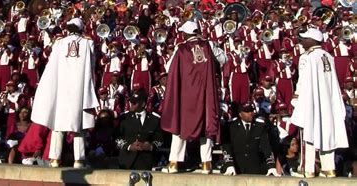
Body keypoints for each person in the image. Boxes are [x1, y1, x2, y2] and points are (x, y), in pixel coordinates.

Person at [31, 18, 99, 168]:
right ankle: (79, 160)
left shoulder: (59, 43)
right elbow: (92, 64)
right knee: (78, 126)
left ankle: (54, 159)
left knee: (58, 125)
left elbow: (51, 65)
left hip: (62, 89)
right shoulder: (88, 43)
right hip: (79, 90)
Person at [161, 21, 225, 174]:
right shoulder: (209, 45)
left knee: (181, 126)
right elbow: (224, 60)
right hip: (205, 93)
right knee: (207, 125)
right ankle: (206, 163)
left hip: (187, 94)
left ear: (185, 34)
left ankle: (174, 163)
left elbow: (168, 67)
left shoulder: (181, 48)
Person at [290, 27, 348, 178]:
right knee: (327, 131)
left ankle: (307, 169)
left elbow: (302, 80)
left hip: (312, 100)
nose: (301, 42)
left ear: (313, 40)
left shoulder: (307, 56)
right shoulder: (328, 55)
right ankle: (329, 168)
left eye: (304, 39)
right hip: (328, 101)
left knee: (308, 131)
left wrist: (296, 96)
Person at [222, 102, 279, 176]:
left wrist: (271, 166)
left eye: (251, 111)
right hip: (236, 168)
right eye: (247, 111)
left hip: (255, 169)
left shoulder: (260, 126)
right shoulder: (232, 126)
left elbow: (266, 146)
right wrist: (229, 164)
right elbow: (226, 146)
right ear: (240, 114)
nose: (250, 113)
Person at [116, 89, 163, 170]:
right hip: (126, 162)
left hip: (147, 162)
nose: (131, 105)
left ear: (143, 104)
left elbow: (160, 139)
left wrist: (150, 146)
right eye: (131, 102)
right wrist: (129, 146)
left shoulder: (154, 119)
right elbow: (117, 137)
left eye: (134, 103)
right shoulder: (124, 118)